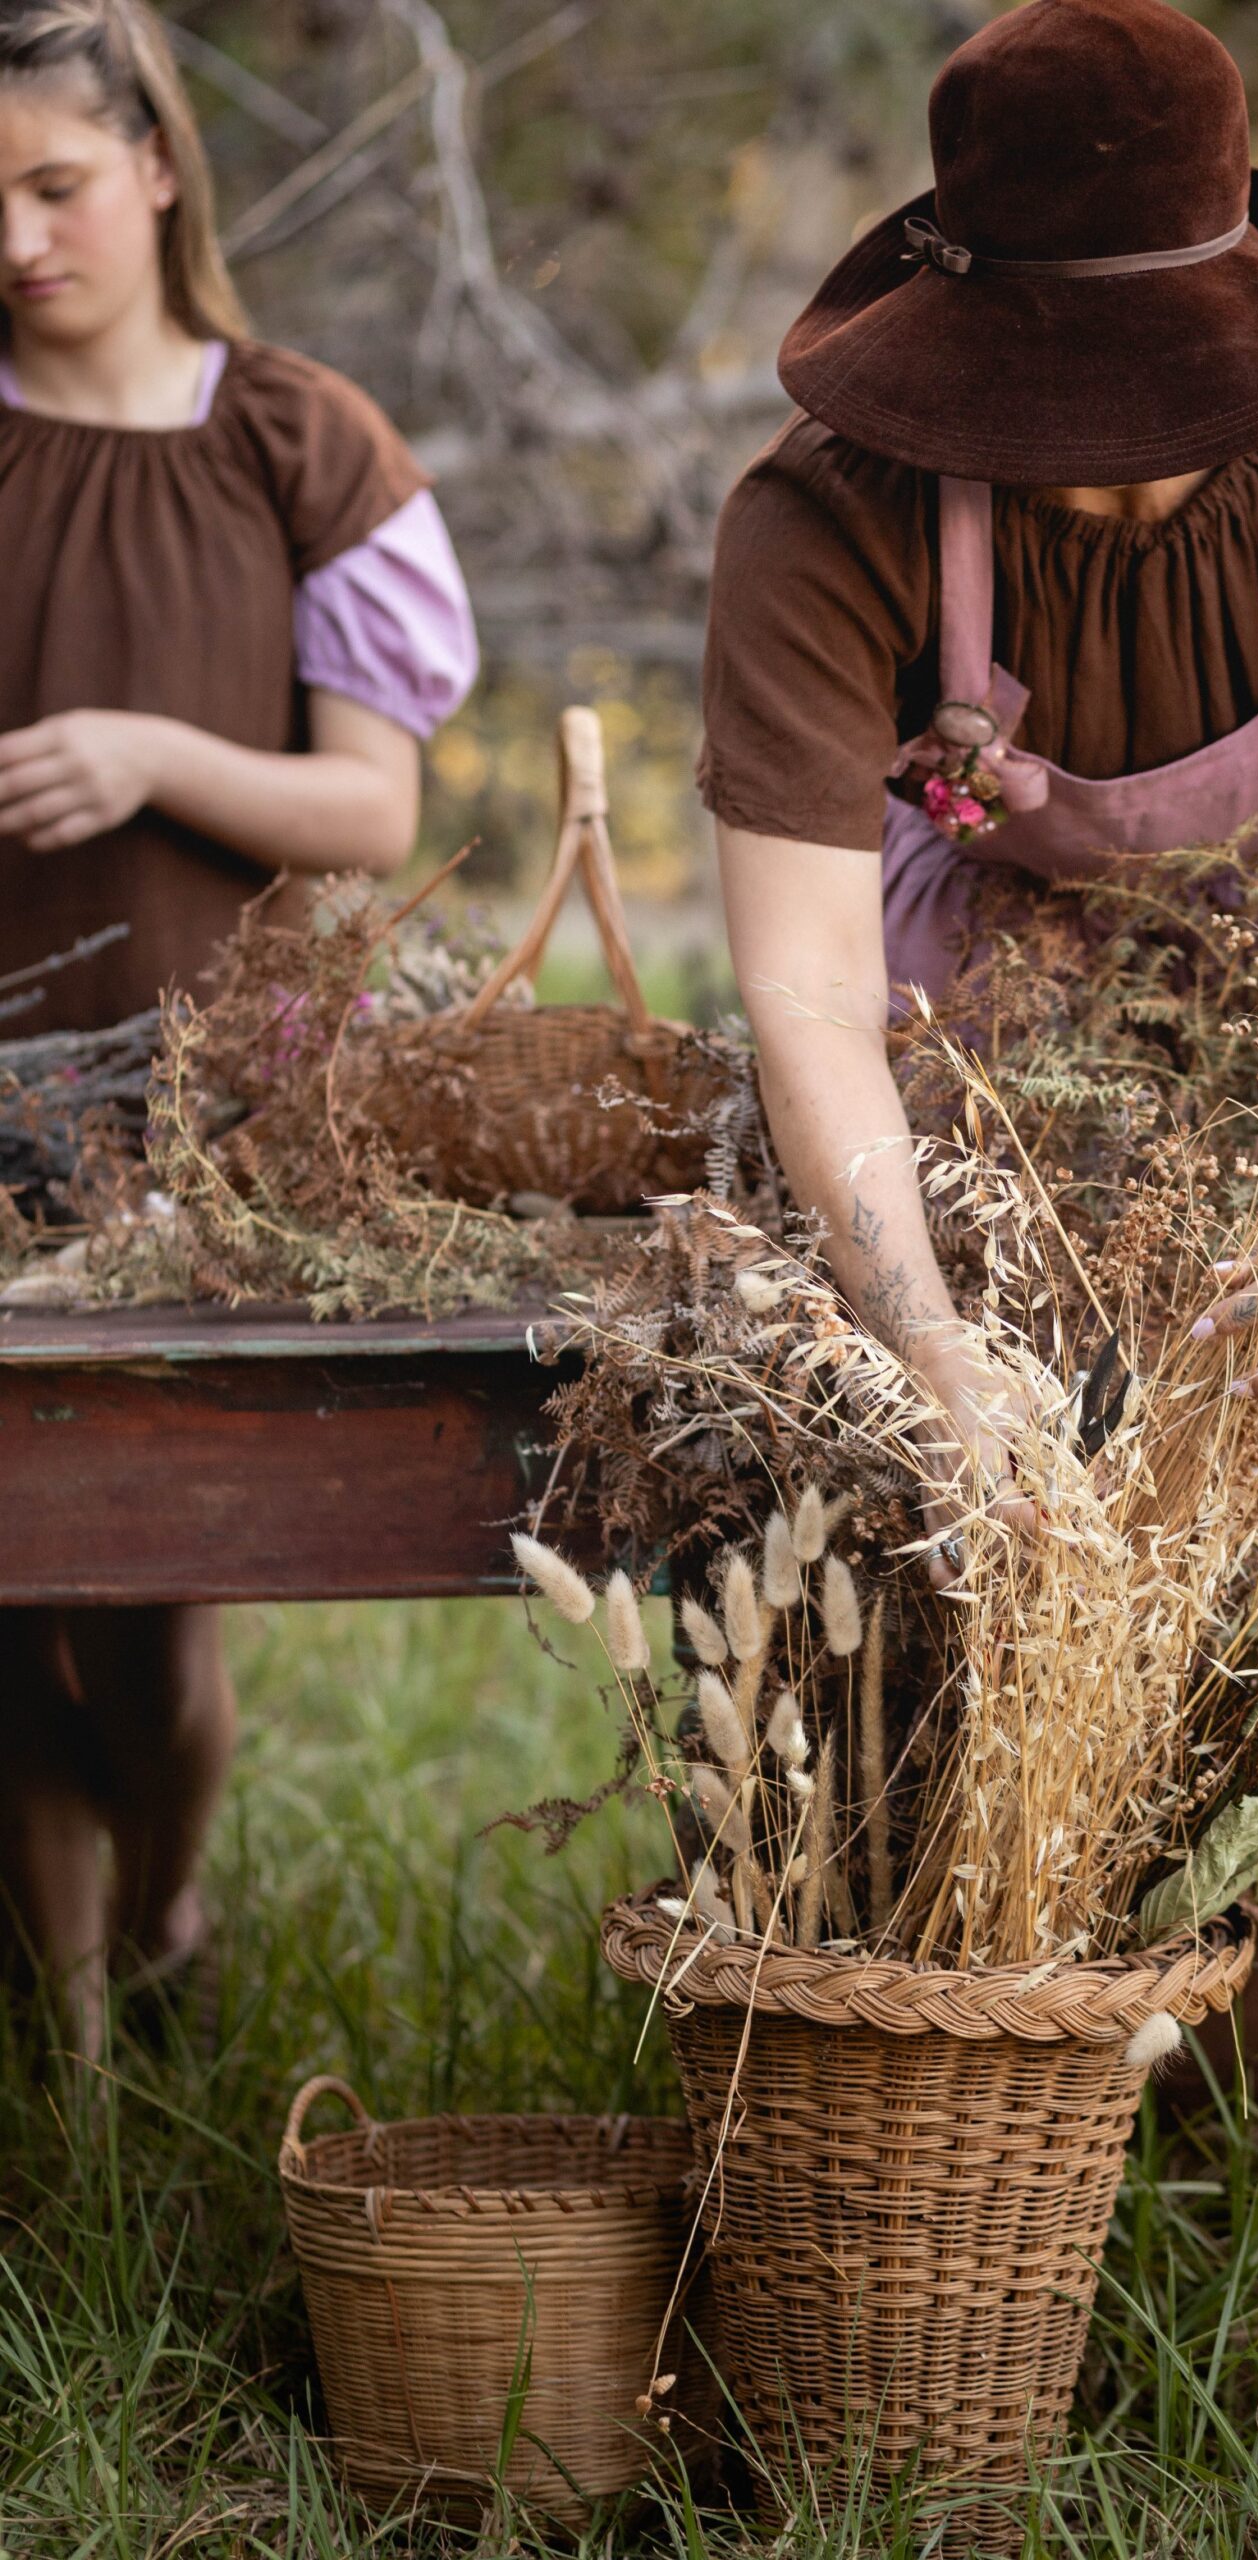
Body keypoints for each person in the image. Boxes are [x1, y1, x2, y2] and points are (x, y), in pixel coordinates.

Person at [698, 0, 1258, 2090]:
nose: (1098, 440)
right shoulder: (824, 516)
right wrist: (927, 1345)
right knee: (980, 1576)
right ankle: (965, 2124)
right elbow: (808, 991)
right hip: (975, 1099)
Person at [0, 0, 477, 2049]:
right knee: (8, 1592)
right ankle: (70, 2029)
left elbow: (373, 812)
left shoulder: (291, 439)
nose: (21, 241)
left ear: (160, 171)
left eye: (56, 185)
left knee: (147, 1597)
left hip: (193, 1112)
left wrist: (146, 752)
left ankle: (171, 1902)